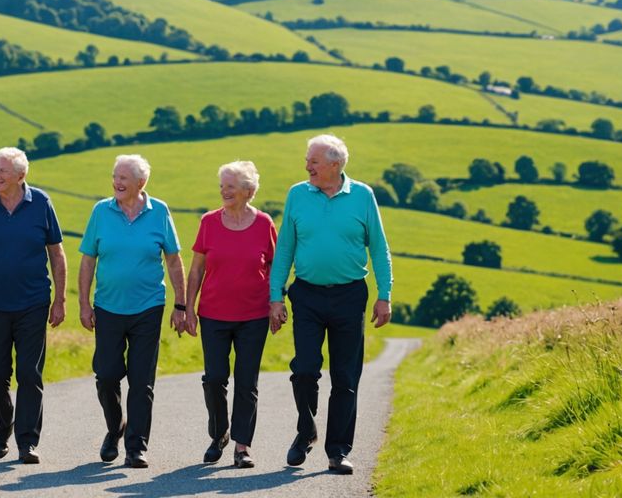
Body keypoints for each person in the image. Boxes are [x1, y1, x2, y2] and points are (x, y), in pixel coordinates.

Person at [269, 134, 393, 475]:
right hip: (306, 294)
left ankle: (338, 451)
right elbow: (285, 250)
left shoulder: (362, 196)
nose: (306, 166)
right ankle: (305, 431)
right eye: (308, 160)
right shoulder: (297, 194)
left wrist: (385, 295)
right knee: (305, 369)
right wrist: (275, 297)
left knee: (345, 376)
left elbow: (379, 248)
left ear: (335, 165)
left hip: (350, 295)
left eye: (313, 161)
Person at [0, 147, 67, 465]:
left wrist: (59, 299)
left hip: (33, 303)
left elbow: (57, 255)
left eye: (3, 170)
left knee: (30, 374)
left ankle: (27, 442)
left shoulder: (41, 203)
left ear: (21, 175)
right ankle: (3, 426)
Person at [78, 154, 186, 469]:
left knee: (142, 380)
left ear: (141, 183)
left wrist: (180, 304)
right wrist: (84, 303)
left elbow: (174, 259)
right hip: (108, 307)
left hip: (148, 307)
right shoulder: (101, 211)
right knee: (107, 375)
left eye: (124, 177)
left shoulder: (159, 212)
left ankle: (136, 447)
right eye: (115, 176)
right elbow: (87, 260)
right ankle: (116, 427)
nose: (117, 182)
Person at [184, 161, 277, 469]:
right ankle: (219, 433)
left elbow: (275, 268)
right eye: (222, 185)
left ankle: (242, 446)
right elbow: (196, 269)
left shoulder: (264, 224)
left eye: (230, 186)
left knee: (246, 381)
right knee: (214, 379)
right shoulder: (209, 222)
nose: (224, 191)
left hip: (253, 315)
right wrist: (188, 310)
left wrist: (277, 304)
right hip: (213, 313)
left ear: (248, 191)